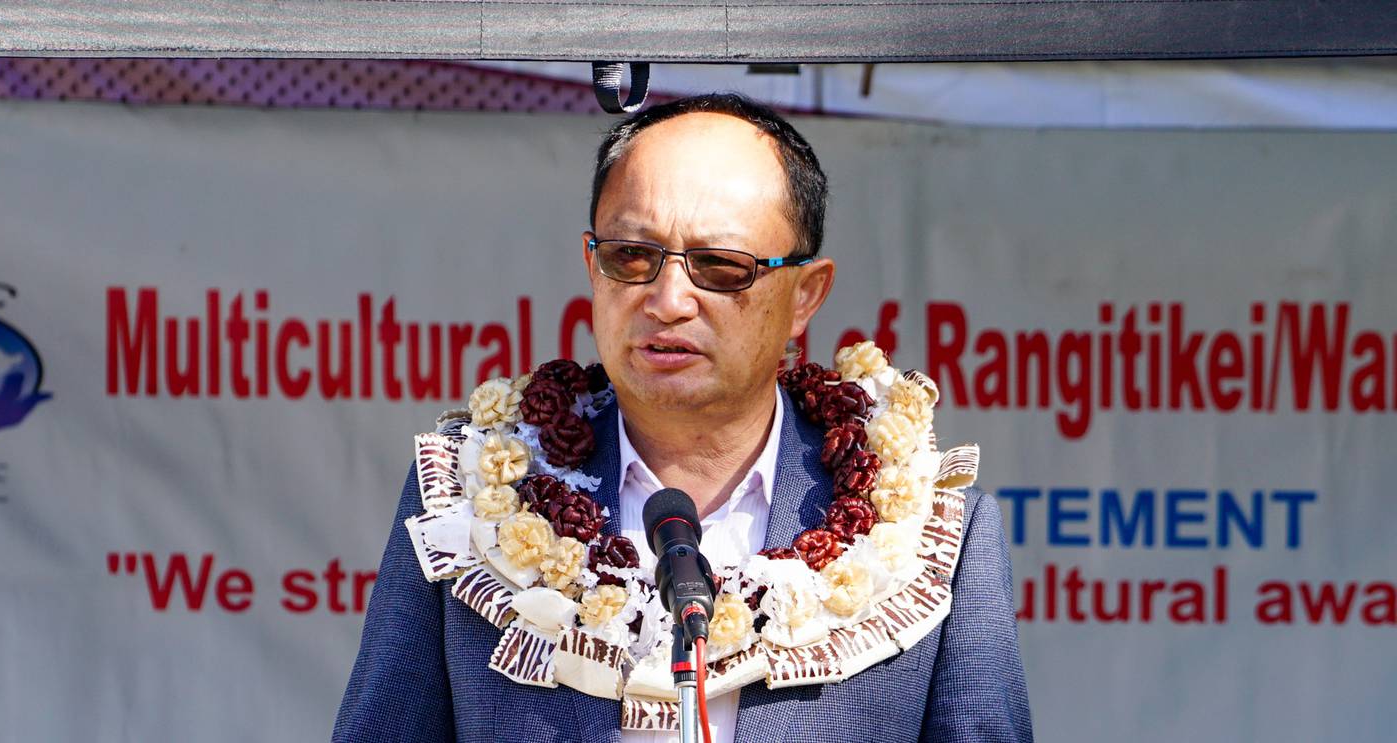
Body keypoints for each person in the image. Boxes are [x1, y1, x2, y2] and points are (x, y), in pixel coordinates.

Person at [334, 93, 1031, 743]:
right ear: (591, 265)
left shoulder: (933, 536)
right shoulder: (468, 501)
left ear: (804, 295)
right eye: (631, 255)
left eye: (719, 266)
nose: (668, 299)